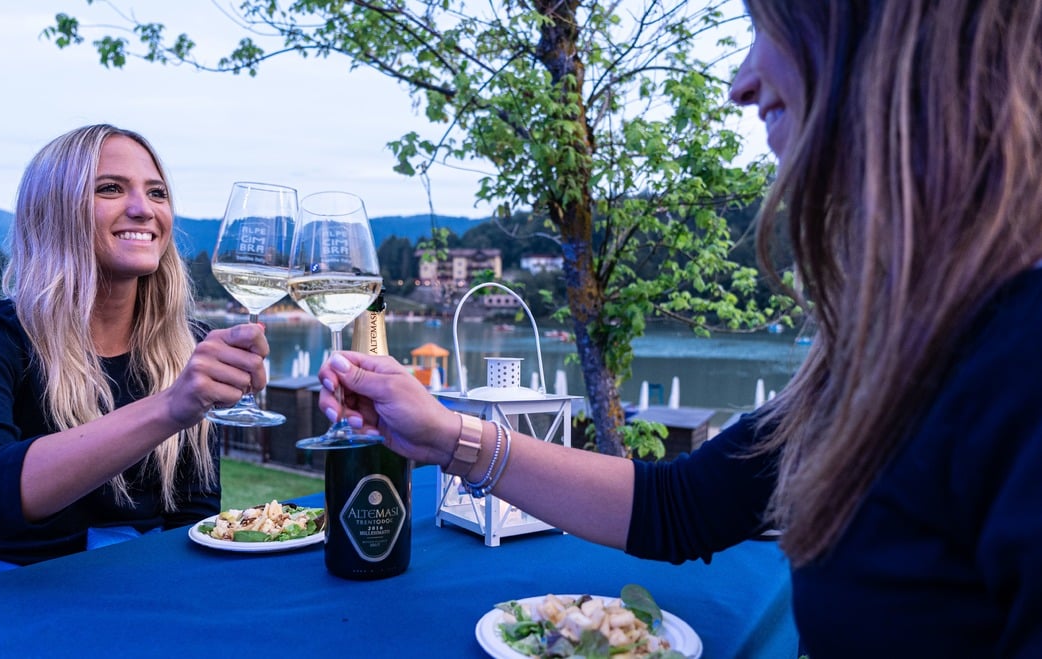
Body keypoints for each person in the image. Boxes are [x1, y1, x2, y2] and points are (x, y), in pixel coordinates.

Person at [315, 1, 1042, 656]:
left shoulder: (1019, 357)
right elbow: (684, 505)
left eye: (769, 29)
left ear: (884, 34)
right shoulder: (899, 348)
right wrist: (445, 435)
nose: (740, 83)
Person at [0, 124, 270, 582]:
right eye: (109, 188)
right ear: (53, 212)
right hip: (3, 599)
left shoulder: (188, 343)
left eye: (157, 193)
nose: (142, 209)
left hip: (141, 589)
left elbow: (194, 514)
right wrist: (168, 408)